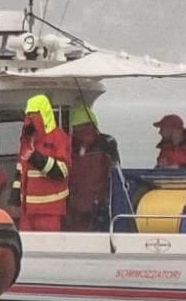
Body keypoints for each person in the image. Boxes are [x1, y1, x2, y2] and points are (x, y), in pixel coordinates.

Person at [12, 94, 71, 232]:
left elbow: (62, 171)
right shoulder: (26, 139)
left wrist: (37, 159)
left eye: (33, 114)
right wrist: (14, 197)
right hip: (26, 211)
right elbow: (20, 170)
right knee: (26, 249)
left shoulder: (59, 137)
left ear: (43, 114)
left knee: (49, 249)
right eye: (28, 114)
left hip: (50, 210)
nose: (30, 118)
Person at [67, 102, 120, 231]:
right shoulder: (108, 142)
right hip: (100, 205)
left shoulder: (69, 145)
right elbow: (116, 173)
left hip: (75, 207)